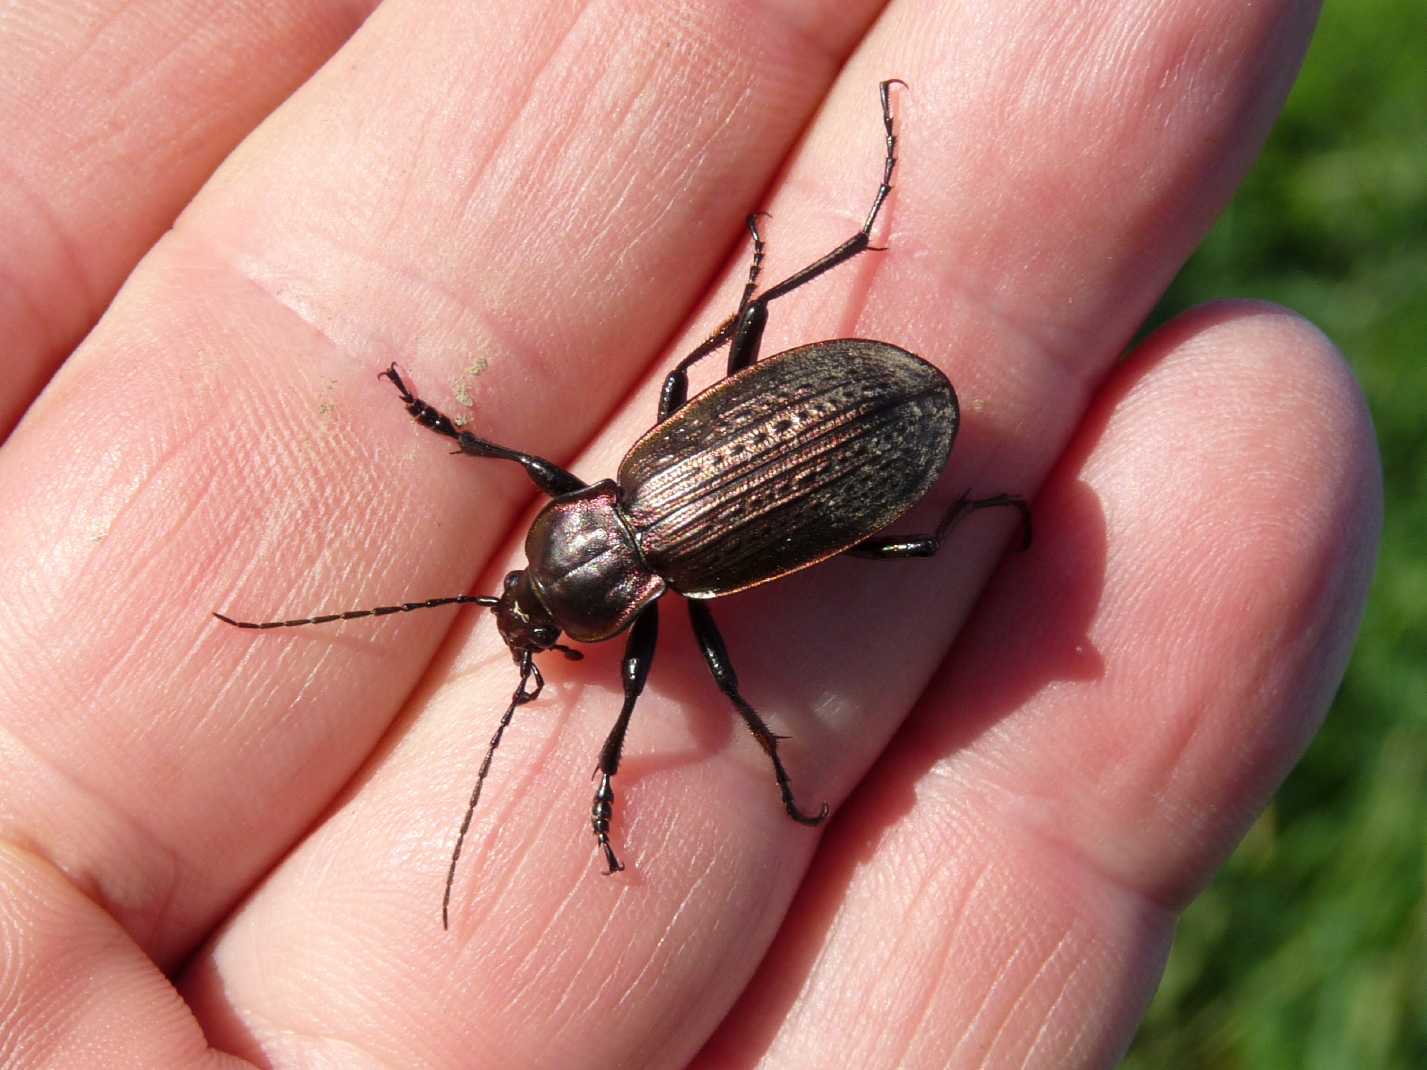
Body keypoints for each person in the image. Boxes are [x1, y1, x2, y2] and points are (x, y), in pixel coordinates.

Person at [0, 1, 1379, 1066]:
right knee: (816, 508)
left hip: (878, 418)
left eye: (532, 611)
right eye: (542, 619)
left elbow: (670, 674)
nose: (538, 625)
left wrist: (743, 753)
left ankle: (905, 346)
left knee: (810, 611)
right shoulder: (607, 498)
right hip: (860, 431)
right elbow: (641, 449)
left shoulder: (653, 590)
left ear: (564, 550)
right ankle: (888, 323)